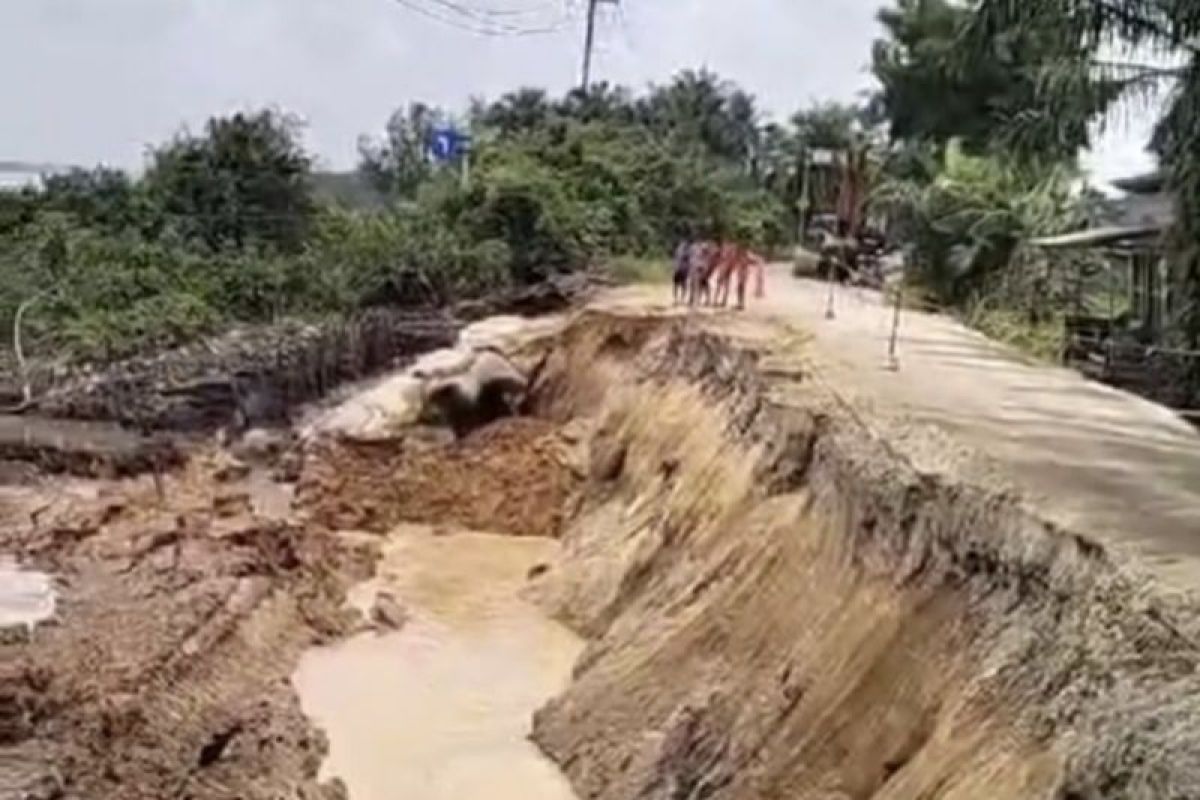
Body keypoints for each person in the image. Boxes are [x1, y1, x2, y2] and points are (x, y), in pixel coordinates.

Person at [672, 237, 692, 305]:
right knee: (677, 285)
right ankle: (677, 299)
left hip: (682, 270)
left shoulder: (686, 251)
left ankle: (680, 299)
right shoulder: (680, 250)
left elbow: (689, 261)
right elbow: (675, 259)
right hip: (679, 269)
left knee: (682, 285)